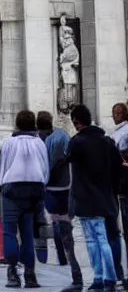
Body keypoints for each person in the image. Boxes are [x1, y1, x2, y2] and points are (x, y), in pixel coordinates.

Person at [68, 104, 123, 292]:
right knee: (104, 239)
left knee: (92, 240)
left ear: (77, 121)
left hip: (85, 198)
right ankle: (111, 278)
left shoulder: (77, 142)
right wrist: (112, 189)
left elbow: (68, 161)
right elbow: (118, 168)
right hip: (106, 197)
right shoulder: (107, 141)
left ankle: (99, 278)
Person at [0, 110, 49, 288]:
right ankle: (30, 274)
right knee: (27, 234)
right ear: (34, 125)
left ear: (17, 124)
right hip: (33, 189)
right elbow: (45, 166)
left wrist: (2, 184)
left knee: (9, 232)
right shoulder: (39, 142)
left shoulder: (8, 142)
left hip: (12, 190)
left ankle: (12, 272)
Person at [37, 111, 83, 292]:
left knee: (48, 222)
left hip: (48, 188)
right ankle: (64, 257)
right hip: (64, 186)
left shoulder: (37, 140)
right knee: (62, 224)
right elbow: (70, 155)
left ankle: (45, 258)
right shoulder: (62, 135)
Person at [108, 102, 128, 288]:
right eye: (114, 112)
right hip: (119, 187)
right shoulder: (116, 132)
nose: (115, 115)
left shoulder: (125, 132)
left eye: (119, 112)